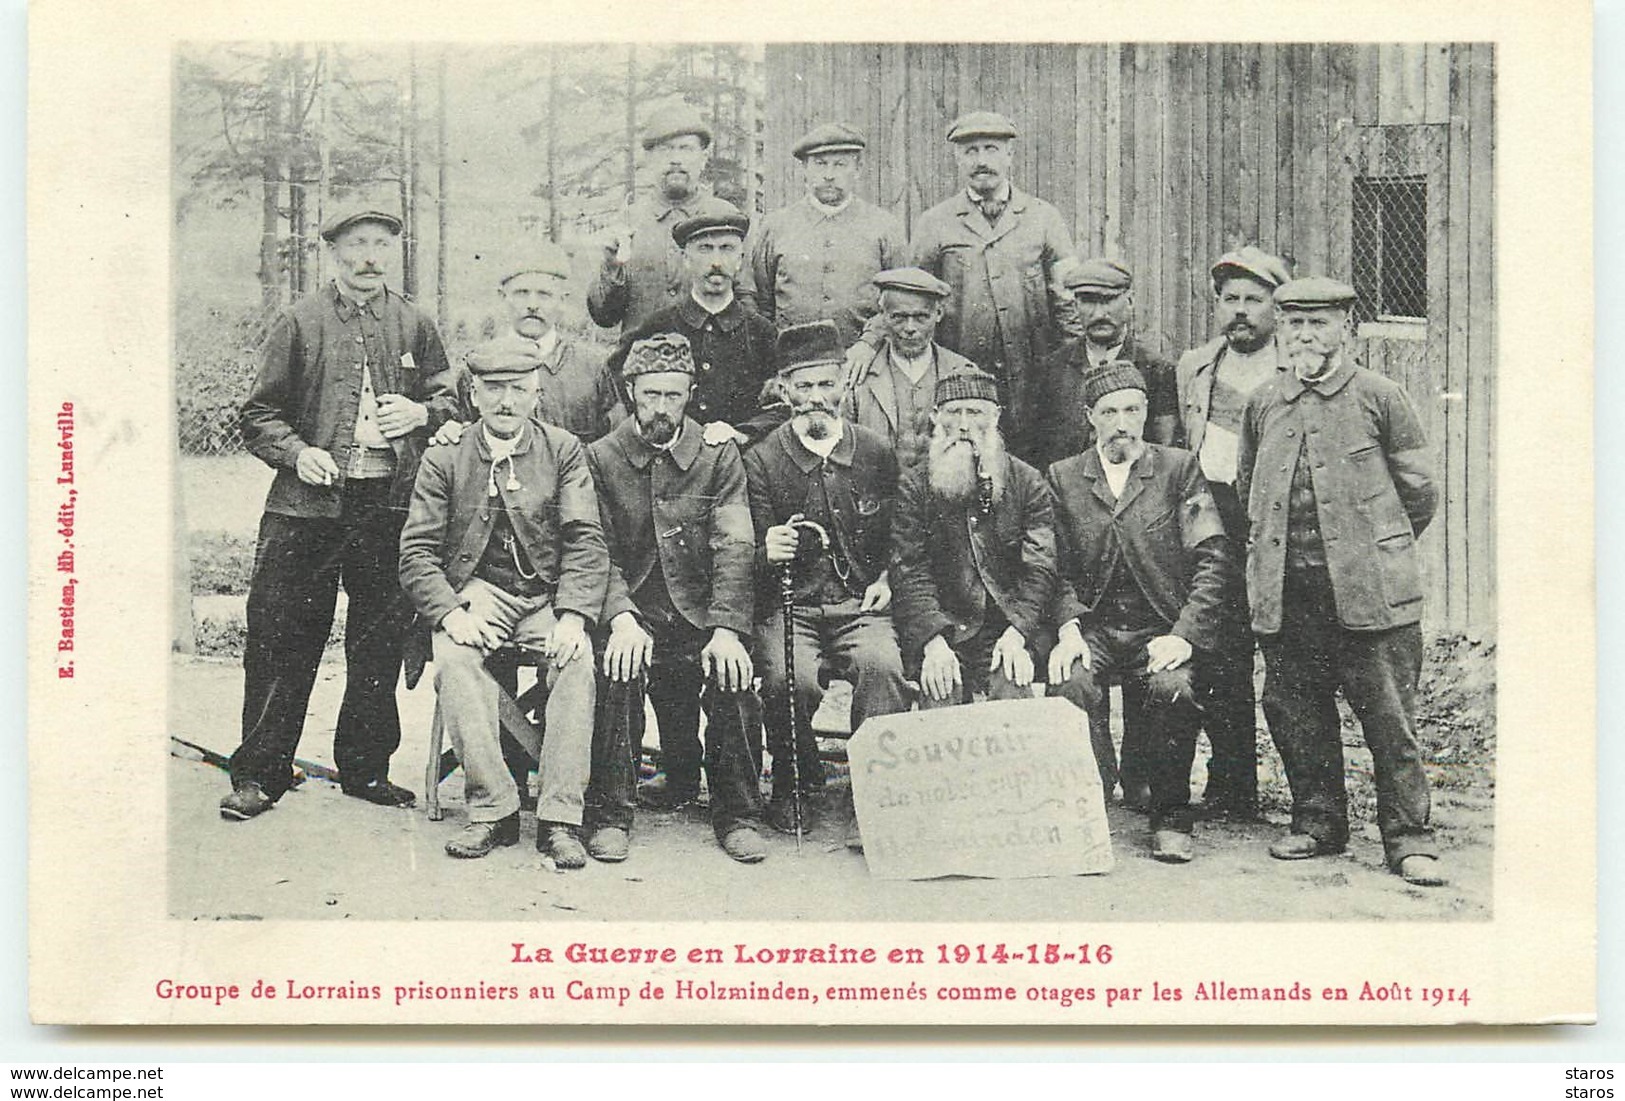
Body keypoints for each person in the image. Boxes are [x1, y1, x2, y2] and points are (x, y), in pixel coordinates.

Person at [222, 208, 456, 821]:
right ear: (334, 253)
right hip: (305, 511)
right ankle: (261, 773)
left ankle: (366, 769)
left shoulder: (414, 323)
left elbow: (449, 395)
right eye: (357, 245)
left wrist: (423, 415)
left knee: (377, 643)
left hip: (387, 507)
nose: (370, 257)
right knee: (281, 638)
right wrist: (298, 454)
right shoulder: (300, 321)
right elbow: (257, 415)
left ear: (394, 253)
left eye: (382, 244)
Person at [1237, 276, 1445, 887]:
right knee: (1297, 713)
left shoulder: (1381, 396)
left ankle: (1409, 839)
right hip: (1289, 594)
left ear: (1344, 329)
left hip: (1370, 596)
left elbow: (1420, 494)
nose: (1305, 334)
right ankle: (1318, 822)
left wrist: (1374, 553)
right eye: (1295, 323)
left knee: (1388, 719)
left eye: (1319, 322)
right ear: (1282, 329)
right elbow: (1251, 488)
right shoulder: (1265, 402)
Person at [397, 345, 609, 866]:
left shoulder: (563, 450)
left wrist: (574, 615)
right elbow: (416, 551)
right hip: (474, 595)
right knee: (454, 659)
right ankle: (493, 809)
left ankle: (561, 818)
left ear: (537, 395)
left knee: (576, 661)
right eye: (493, 389)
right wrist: (450, 613)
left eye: (519, 390)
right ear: (473, 395)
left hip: (545, 596)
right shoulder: (444, 456)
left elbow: (586, 539)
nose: (507, 401)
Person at [585, 332, 771, 864]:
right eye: (650, 395)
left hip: (701, 613)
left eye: (673, 395)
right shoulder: (602, 458)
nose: (661, 408)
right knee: (618, 668)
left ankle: (737, 813)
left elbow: (736, 542)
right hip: (636, 611)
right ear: (630, 392)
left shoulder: (718, 456)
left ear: (690, 393)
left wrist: (727, 629)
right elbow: (598, 549)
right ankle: (611, 813)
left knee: (734, 673)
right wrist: (620, 616)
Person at [1044, 362, 1233, 863]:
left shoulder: (1179, 469)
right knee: (1070, 683)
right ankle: (1087, 805)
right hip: (1095, 628)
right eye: (1109, 412)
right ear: (1090, 417)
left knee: (1173, 688)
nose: (1122, 422)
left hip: (1159, 627)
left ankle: (1171, 816)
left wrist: (1185, 633)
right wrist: (1067, 627)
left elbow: (1212, 558)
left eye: (1132, 409)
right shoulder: (1064, 478)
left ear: (1147, 413)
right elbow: (1052, 567)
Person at [743, 321, 909, 839]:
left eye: (827, 385)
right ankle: (795, 780)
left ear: (845, 387)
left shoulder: (875, 452)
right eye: (804, 386)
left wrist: (886, 576)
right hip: (790, 607)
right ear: (784, 390)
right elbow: (740, 548)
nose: (817, 398)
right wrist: (765, 551)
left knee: (883, 667)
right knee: (783, 677)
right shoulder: (763, 459)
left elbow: (903, 533)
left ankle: (877, 798)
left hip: (860, 605)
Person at [1175, 245, 1293, 819]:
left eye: (1254, 299)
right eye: (1231, 299)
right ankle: (1232, 789)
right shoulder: (1195, 365)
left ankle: (1313, 803)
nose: (1241, 310)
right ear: (1216, 305)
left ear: (1276, 306)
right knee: (1220, 659)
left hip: (1277, 523)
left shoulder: (1294, 367)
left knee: (1289, 663)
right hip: (1215, 520)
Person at [902, 111, 1073, 464]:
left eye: (991, 149)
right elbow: (911, 300)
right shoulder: (934, 223)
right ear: (957, 159)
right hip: (961, 387)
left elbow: (1068, 302)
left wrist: (1071, 372)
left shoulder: (1044, 218)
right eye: (971, 151)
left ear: (1010, 155)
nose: (981, 160)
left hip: (1034, 385)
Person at [891, 367, 1056, 710]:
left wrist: (1018, 633)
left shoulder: (1027, 482)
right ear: (936, 417)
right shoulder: (915, 485)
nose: (964, 424)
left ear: (995, 416)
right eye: (954, 412)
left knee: (1013, 697)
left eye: (976, 411)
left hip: (1007, 626)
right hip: (943, 627)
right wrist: (933, 641)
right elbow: (909, 569)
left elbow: (1040, 568)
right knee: (939, 696)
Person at [608, 196, 784, 449]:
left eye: (726, 249)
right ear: (686, 259)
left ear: (739, 261)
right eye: (704, 249)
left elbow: (783, 405)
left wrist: (744, 434)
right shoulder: (656, 326)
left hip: (739, 464)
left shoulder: (761, 332)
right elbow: (616, 385)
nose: (716, 261)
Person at [743, 122, 905, 346]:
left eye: (839, 165)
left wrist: (870, 343)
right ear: (804, 170)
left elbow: (899, 302)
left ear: (857, 169)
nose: (829, 175)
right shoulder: (776, 226)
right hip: (793, 362)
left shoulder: (884, 228)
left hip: (863, 363)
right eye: (820, 164)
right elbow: (760, 300)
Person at [442, 246, 623, 445]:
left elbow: (614, 447)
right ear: (503, 297)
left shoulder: (593, 368)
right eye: (521, 293)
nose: (533, 304)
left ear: (562, 300)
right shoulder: (478, 366)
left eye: (544, 294)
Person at [1026, 257, 1180, 472]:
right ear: (1075, 305)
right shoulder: (1051, 370)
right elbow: (1036, 453)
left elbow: (1165, 457)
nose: (1098, 314)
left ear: (1130, 301)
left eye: (1107, 300)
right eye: (1088, 301)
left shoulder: (1156, 370)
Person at [588, 103, 717, 334]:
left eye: (685, 149)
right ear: (649, 159)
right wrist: (611, 267)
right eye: (666, 150)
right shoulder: (628, 220)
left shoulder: (724, 217)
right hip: (640, 362)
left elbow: (747, 304)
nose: (675, 159)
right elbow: (604, 315)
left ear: (704, 157)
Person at [840, 267, 976, 478]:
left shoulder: (963, 372)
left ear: (938, 314)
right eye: (899, 317)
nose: (910, 327)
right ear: (882, 316)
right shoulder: (858, 377)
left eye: (921, 317)